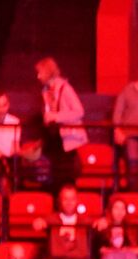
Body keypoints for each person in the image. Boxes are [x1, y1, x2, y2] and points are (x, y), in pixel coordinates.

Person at [36, 57, 85, 189]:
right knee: (52, 171)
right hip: (52, 136)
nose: (38, 76)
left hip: (65, 137)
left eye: (40, 72)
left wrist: (57, 116)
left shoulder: (65, 88)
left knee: (65, 172)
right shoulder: (45, 91)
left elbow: (79, 111)